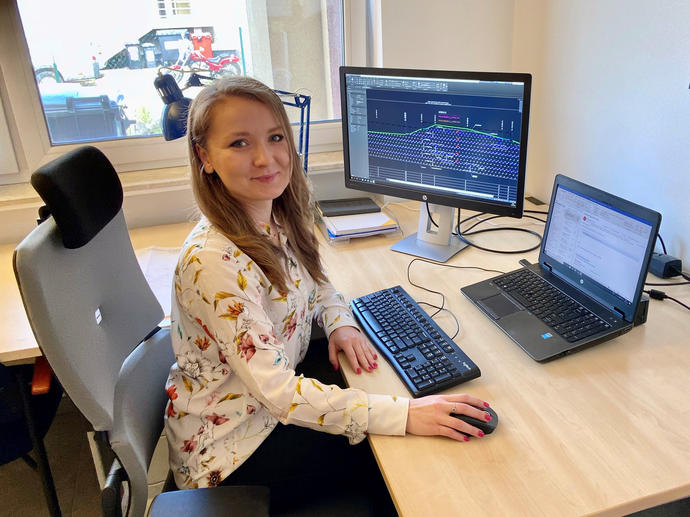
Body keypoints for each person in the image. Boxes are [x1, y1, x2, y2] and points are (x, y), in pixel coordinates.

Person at [164, 75, 493, 511]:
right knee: (398, 461)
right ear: (205, 156)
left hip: (264, 401)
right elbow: (280, 395)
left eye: (275, 137)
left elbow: (316, 280)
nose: (266, 158)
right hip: (232, 448)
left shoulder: (271, 213)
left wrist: (340, 324)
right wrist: (406, 416)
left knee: (395, 412)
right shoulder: (212, 262)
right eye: (239, 144)